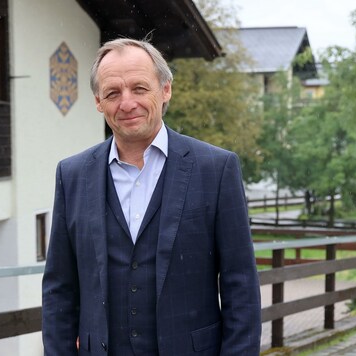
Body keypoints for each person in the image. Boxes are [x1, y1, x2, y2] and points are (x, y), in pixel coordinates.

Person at [42, 37, 261, 356]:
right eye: (113, 93)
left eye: (139, 88)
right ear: (98, 102)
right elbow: (59, 290)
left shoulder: (216, 169)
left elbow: (240, 287)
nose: (127, 103)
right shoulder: (72, 174)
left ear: (166, 90)